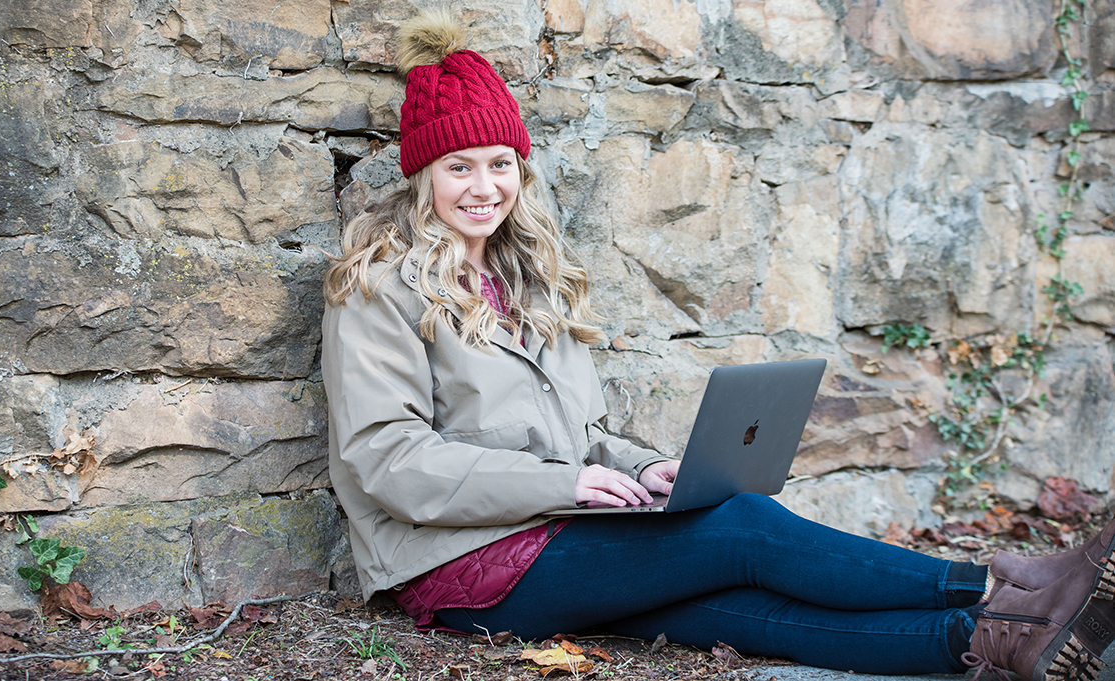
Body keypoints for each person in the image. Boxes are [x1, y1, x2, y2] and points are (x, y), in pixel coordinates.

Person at [321, 9, 1115, 679]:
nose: (485, 186)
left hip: (557, 527)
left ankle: (996, 644)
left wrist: (640, 468)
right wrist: (570, 482)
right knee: (744, 526)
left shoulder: (528, 277)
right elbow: (389, 460)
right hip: (456, 564)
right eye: (459, 166)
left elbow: (587, 435)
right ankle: (1000, 586)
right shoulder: (376, 286)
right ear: (423, 174)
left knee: (725, 607)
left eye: (501, 163)